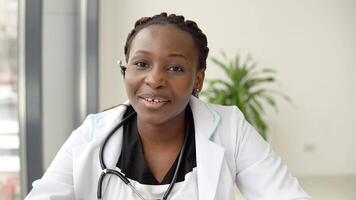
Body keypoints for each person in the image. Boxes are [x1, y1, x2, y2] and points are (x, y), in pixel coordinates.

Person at [25, 12, 310, 200]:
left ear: (198, 79)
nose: (155, 79)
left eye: (174, 68)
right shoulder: (91, 134)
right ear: (125, 70)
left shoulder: (230, 129)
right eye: (141, 64)